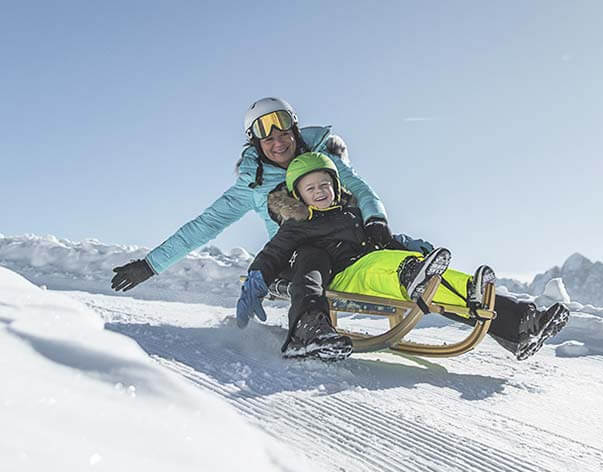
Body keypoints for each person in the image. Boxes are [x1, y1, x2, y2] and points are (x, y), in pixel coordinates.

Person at [236, 152, 570, 361]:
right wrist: (255, 278)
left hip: (381, 265)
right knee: (386, 266)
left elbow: (386, 239)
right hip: (347, 274)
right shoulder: (298, 227)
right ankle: (308, 329)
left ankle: (523, 324)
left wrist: (413, 245)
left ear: (335, 187)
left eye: (326, 184)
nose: (321, 192)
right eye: (312, 189)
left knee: (452, 283)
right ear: (300, 196)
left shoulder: (353, 216)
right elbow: (273, 254)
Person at [110, 97, 403, 292]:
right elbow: (204, 226)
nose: (278, 144)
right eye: (268, 138)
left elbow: (361, 188)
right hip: (302, 259)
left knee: (405, 246)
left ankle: (436, 288)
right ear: (256, 143)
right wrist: (150, 265)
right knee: (311, 257)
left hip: (348, 246)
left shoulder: (324, 160)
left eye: (284, 134)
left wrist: (376, 218)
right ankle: (310, 326)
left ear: (295, 132)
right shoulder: (252, 186)